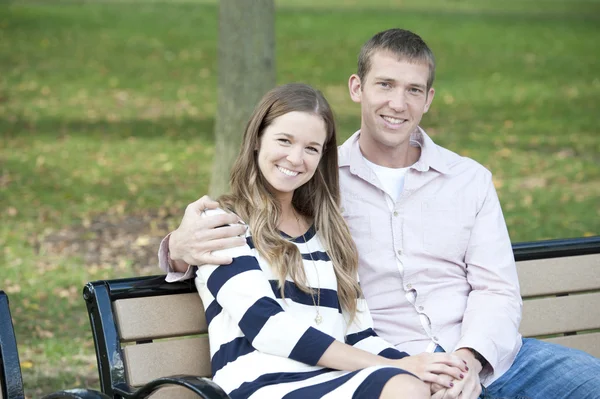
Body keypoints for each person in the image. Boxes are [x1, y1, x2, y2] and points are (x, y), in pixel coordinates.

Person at [160, 30, 600, 399]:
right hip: (388, 364)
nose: (398, 103)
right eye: (385, 85)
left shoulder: (469, 180)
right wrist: (177, 248)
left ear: (429, 99)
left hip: (488, 359)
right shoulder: (323, 184)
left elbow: (497, 290)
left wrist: (467, 360)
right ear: (358, 88)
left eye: (413, 90)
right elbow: (251, 258)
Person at [166, 82, 468, 398]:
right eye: (284, 140)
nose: (296, 158)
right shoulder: (221, 224)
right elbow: (268, 327)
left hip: (332, 381)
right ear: (257, 140)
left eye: (311, 148)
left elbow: (359, 333)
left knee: (425, 386)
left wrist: (417, 366)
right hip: (261, 385)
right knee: (405, 386)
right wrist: (400, 369)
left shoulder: (329, 234)